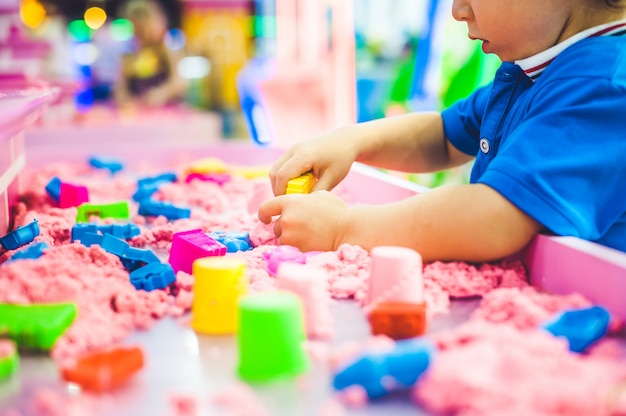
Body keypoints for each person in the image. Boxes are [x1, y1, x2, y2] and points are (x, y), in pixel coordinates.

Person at [258, 0, 626, 263]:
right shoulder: (535, 67)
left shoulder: (603, 85)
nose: (456, 10)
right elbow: (444, 135)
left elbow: (494, 216)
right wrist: (350, 141)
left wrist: (344, 228)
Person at [113, 0, 188, 108]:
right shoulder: (129, 53)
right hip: (139, 114)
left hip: (167, 113)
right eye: (135, 27)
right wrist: (124, 99)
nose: (138, 33)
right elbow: (120, 89)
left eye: (141, 27)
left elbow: (180, 83)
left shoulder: (166, 48)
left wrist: (162, 93)